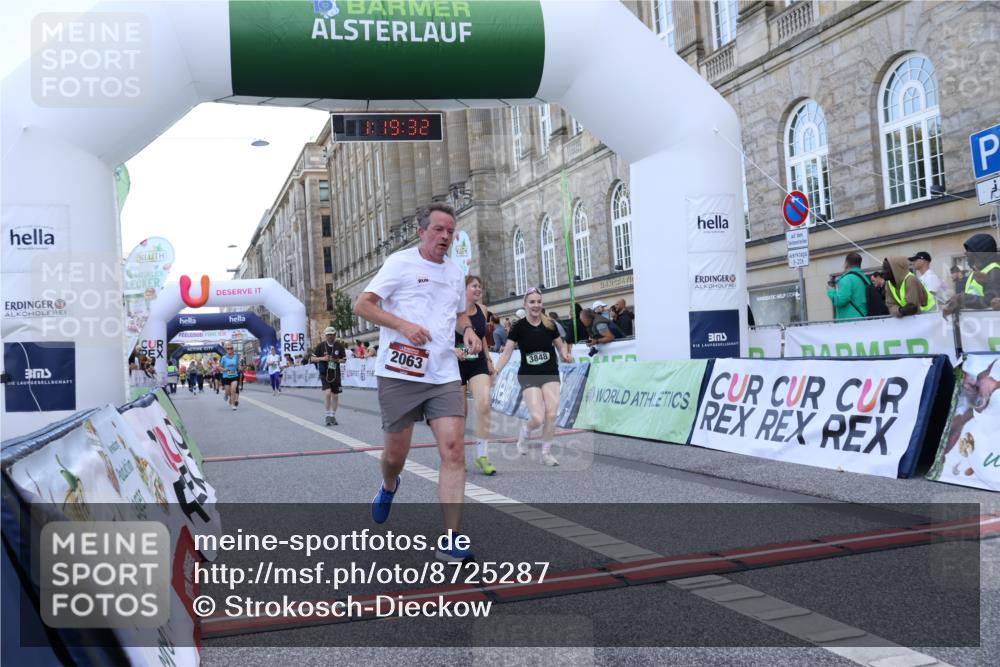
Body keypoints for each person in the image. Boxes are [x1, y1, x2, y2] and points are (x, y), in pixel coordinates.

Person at [354, 202, 481, 563]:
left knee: (453, 450)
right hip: (400, 372)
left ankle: (450, 539)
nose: (445, 236)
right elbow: (362, 306)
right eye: (438, 230)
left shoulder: (455, 272)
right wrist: (403, 325)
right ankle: (389, 485)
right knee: (396, 456)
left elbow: (459, 314)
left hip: (443, 372)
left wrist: (468, 331)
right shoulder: (400, 263)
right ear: (422, 232)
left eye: (450, 231)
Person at [495, 287, 574, 467]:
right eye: (532, 302)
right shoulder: (518, 327)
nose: (536, 305)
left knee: (551, 414)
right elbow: (507, 352)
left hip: (550, 373)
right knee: (538, 418)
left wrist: (565, 354)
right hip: (528, 375)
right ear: (525, 304)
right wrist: (496, 371)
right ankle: (525, 431)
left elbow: (560, 346)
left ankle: (546, 453)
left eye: (539, 301)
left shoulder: (550, 324)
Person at [454, 275, 497, 476]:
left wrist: (488, 359)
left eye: (480, 286)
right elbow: (441, 334)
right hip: (456, 363)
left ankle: (482, 455)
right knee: (460, 411)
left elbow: (481, 336)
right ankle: (458, 454)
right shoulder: (453, 310)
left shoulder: (483, 309)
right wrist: (453, 350)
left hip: (477, 362)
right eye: (474, 286)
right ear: (464, 289)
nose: (478, 289)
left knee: (484, 403)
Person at [943, 234, 1000, 316]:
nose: (965, 253)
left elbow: (992, 301)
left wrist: (960, 299)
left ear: (980, 252)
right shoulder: (976, 272)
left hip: (988, 321)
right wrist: (958, 305)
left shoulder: (994, 270)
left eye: (969, 250)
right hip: (977, 321)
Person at [311, 327, 347, 425]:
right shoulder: (320, 346)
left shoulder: (339, 346)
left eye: (331, 334)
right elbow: (312, 359)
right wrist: (323, 358)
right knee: (327, 393)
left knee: (335, 395)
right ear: (325, 336)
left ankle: (332, 416)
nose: (330, 336)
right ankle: (327, 415)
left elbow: (344, 360)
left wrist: (336, 360)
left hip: (335, 373)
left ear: (335, 335)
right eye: (328, 335)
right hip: (324, 373)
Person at [827, 252, 870, 320]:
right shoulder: (865, 278)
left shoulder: (847, 279)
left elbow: (840, 301)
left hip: (850, 321)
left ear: (846, 263)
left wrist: (831, 290)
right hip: (863, 317)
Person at [220, 343, 240, 410]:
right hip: (226, 376)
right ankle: (226, 395)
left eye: (231, 348)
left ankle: (233, 404)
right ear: (226, 350)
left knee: (233, 390)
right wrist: (224, 369)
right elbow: (220, 367)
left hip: (234, 375)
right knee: (227, 391)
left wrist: (240, 368)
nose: (229, 350)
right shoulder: (224, 357)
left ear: (233, 349)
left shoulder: (236, 356)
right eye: (228, 348)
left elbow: (238, 365)